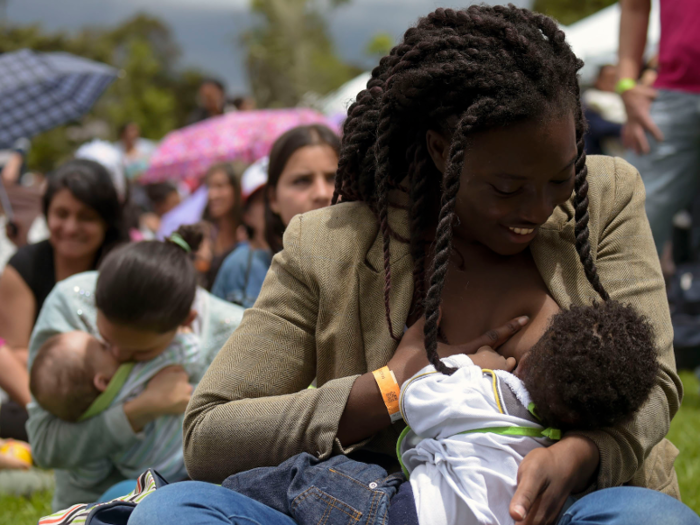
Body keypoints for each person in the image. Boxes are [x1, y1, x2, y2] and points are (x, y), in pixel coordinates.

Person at [130, 6, 690, 525]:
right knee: (172, 512)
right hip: (374, 505)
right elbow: (209, 434)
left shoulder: (609, 196)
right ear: (443, 150)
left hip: (561, 506)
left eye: (560, 178)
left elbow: (658, 382)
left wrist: (582, 453)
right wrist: (389, 388)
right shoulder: (329, 245)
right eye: (507, 187)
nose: (539, 209)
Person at [25, 224, 244, 510]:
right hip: (84, 503)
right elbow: (43, 445)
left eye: (140, 351)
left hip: (178, 493)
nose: (117, 355)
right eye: (104, 340)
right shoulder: (71, 303)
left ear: (185, 322)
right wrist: (140, 410)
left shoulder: (233, 336)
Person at [398, 301, 658, 525]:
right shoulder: (562, 470)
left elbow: (413, 396)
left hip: (416, 512)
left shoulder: (488, 392)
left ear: (525, 362)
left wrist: (471, 363)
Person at [0, 159, 126, 436]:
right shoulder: (23, 267)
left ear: (107, 221)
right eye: (61, 213)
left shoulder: (124, 268)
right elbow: (14, 352)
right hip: (38, 398)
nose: (70, 227)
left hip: (117, 397)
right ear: (46, 214)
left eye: (86, 217)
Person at [30, 329, 197, 496]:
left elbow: (91, 475)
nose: (113, 348)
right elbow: (189, 349)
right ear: (101, 381)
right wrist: (180, 333)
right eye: (103, 347)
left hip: (159, 481)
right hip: (191, 455)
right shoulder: (135, 377)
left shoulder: (89, 427)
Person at [212, 124, 339, 307]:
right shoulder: (245, 267)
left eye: (333, 178)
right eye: (302, 181)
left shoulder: (380, 263)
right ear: (273, 199)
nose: (321, 193)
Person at [619, 0, 700, 253]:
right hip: (672, 94)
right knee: (625, 228)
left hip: (671, 98)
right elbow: (634, 6)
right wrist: (626, 84)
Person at [201, 162, 245, 289]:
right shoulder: (205, 234)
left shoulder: (249, 234)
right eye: (209, 187)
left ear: (237, 189)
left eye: (220, 186)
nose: (212, 195)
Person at [582, 65, 624, 156]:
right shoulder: (591, 97)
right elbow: (599, 127)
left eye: (615, 78)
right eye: (608, 79)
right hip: (609, 151)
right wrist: (628, 128)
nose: (612, 82)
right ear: (597, 80)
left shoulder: (623, 97)